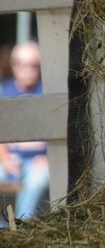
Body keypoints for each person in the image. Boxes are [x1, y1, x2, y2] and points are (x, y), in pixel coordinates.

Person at [0, 42, 48, 224]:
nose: (28, 70)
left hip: (38, 163)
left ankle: (22, 227)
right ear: (13, 65)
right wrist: (4, 158)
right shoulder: (3, 91)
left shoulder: (49, 94)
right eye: (21, 64)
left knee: (38, 177)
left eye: (34, 65)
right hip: (8, 161)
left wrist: (48, 158)